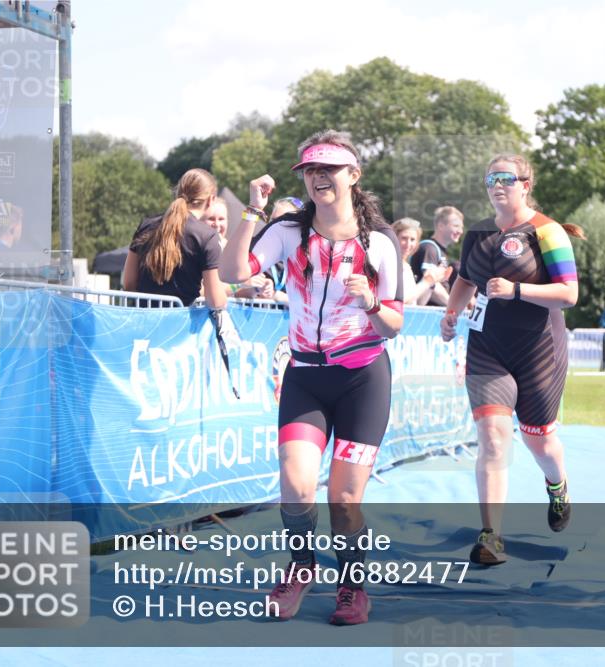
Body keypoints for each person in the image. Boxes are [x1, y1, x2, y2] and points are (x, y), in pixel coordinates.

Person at [220, 130, 404, 625]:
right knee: (296, 485)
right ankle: (301, 567)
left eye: (330, 168)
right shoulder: (289, 233)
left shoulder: (380, 244)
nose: (320, 177)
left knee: (343, 499)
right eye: (311, 170)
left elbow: (394, 324)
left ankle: (351, 585)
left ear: (353, 176)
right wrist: (254, 209)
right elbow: (233, 270)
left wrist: (369, 301)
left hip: (363, 378)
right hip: (305, 377)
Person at [440, 153, 583, 566]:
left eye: (506, 178)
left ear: (525, 184)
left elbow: (570, 295)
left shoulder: (548, 232)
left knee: (539, 439)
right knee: (494, 437)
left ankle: (557, 486)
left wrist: (518, 290)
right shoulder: (478, 234)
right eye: (490, 179)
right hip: (488, 349)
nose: (498, 185)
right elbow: (466, 279)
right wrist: (451, 313)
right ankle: (491, 536)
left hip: (540, 349)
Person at [123, 168, 227, 308]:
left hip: (145, 323)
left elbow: (129, 283)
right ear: (211, 200)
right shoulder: (208, 236)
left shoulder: (146, 225)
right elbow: (216, 302)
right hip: (182, 326)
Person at [204, 199, 274, 300]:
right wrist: (239, 284)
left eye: (221, 219)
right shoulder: (197, 250)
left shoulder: (234, 250)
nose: (217, 224)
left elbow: (239, 294)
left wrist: (258, 287)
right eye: (211, 219)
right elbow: (204, 291)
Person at [410, 205, 463, 306]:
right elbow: (431, 281)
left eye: (461, 227)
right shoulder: (429, 248)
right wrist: (454, 308)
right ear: (441, 226)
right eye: (456, 226)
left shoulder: (440, 251)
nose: (460, 231)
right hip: (425, 314)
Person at [393, 217, 451, 306]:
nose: (408, 244)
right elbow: (403, 301)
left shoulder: (406, 266)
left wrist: (432, 282)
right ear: (394, 238)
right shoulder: (392, 264)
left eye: (412, 240)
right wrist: (426, 282)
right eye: (404, 238)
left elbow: (417, 303)